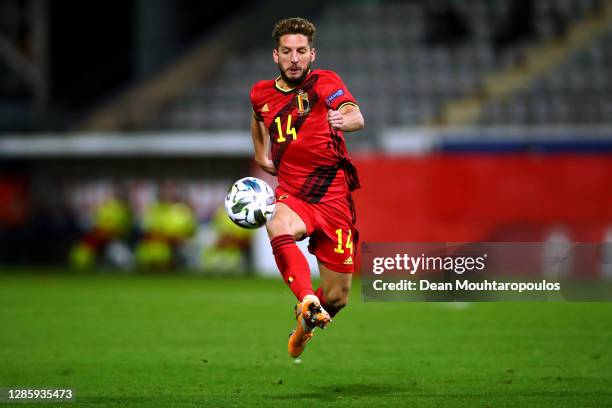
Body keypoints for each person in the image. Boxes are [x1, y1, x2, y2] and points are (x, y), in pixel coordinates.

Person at [249, 17, 364, 358]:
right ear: (276, 56)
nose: (295, 58)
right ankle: (306, 298)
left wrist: (349, 119)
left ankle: (305, 322)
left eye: (301, 51)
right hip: (294, 193)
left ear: (312, 54)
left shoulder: (322, 82)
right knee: (277, 223)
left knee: (338, 297)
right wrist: (260, 154)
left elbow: (352, 110)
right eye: (287, 51)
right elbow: (258, 119)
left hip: (334, 200)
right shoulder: (260, 93)